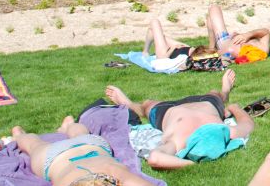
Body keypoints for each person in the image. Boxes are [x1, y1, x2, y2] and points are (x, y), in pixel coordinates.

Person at [105, 70, 253, 169]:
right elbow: (247, 124)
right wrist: (234, 108)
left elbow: (155, 158)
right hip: (206, 103)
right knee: (216, 94)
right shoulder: (226, 131)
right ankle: (225, 91)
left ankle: (128, 104)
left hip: (166, 111)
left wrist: (191, 165)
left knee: (146, 105)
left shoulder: (179, 141)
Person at [10, 117, 159, 186]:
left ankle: (19, 135)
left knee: (34, 146)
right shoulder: (119, 174)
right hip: (58, 158)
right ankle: (69, 125)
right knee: (35, 146)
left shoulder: (117, 173)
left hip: (89, 148)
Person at [205, 4, 270, 61]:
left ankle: (211, 47)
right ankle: (212, 47)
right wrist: (247, 35)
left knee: (214, 8)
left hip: (224, 41)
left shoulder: (232, 50)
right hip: (231, 39)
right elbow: (266, 32)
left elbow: (219, 54)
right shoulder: (262, 48)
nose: (243, 44)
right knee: (210, 19)